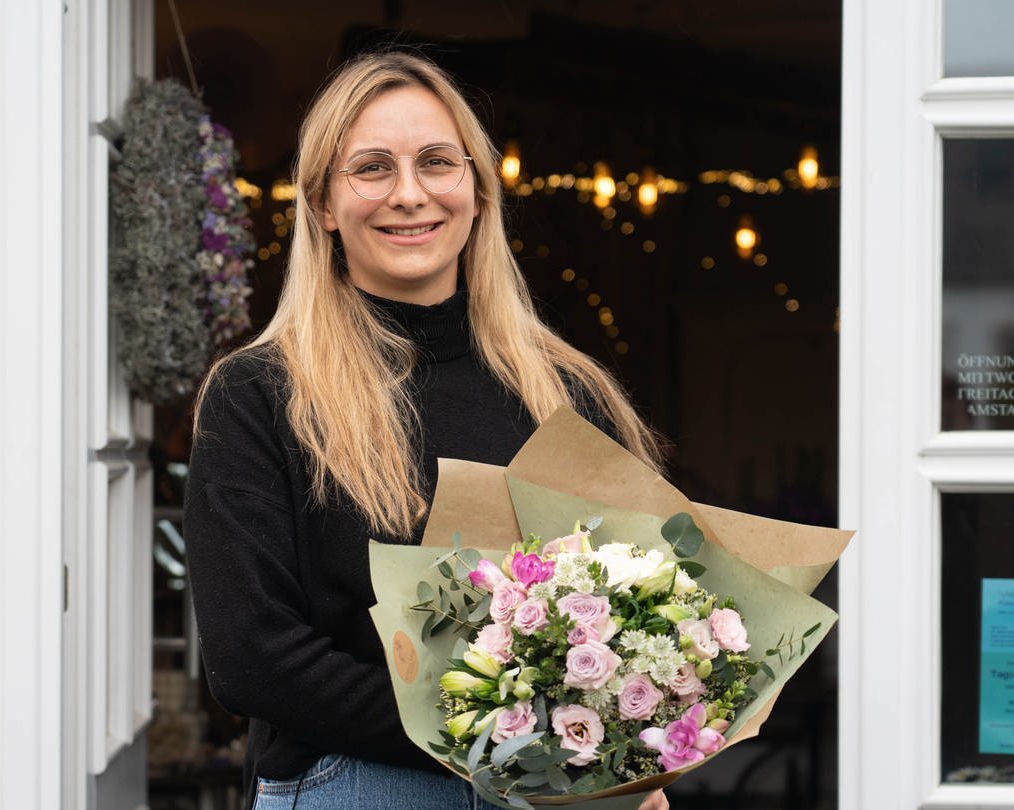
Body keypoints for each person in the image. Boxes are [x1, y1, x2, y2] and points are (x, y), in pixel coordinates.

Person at [184, 50, 668, 810]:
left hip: (552, 792)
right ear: (321, 203)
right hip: (361, 786)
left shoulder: (562, 391)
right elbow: (252, 658)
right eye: (372, 168)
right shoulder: (261, 395)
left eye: (437, 162)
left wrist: (633, 754)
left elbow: (649, 608)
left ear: (477, 190)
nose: (409, 195)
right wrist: (496, 736)